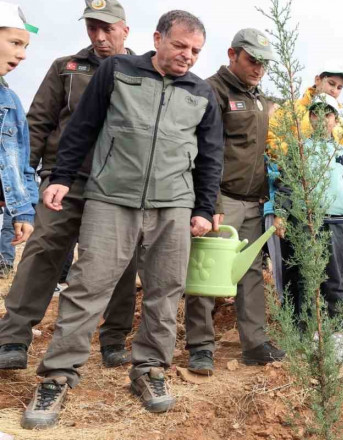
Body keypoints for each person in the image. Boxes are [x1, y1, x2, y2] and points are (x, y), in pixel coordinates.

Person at [21, 10, 224, 429]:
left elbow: (210, 157)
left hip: (173, 205)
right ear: (158, 39)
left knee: (166, 291)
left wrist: (204, 208)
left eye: (196, 51)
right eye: (180, 46)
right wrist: (60, 177)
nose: (188, 56)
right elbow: (83, 127)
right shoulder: (117, 70)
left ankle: (150, 370)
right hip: (111, 197)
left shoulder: (202, 93)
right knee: (87, 285)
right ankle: (58, 375)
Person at [0, 0, 138, 371]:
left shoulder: (143, 72)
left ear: (125, 29)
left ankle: (113, 340)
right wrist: (21, 185)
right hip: (63, 181)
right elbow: (37, 124)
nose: (99, 35)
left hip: (118, 188)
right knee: (43, 252)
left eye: (107, 28)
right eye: (92, 27)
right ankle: (13, 338)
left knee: (121, 265)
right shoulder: (66, 68)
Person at [185, 28, 285, 376]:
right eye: (252, 61)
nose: (258, 68)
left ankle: (254, 344)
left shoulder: (262, 99)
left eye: (264, 64)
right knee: (206, 275)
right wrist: (209, 202)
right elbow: (203, 152)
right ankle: (200, 346)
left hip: (255, 201)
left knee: (250, 274)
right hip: (221, 199)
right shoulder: (211, 90)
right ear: (232, 54)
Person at [270, 94, 343, 360]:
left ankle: (333, 337)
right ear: (310, 117)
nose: (322, 120)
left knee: (334, 280)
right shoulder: (298, 148)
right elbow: (286, 185)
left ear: (336, 120)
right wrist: (280, 214)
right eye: (316, 114)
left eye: (328, 115)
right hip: (305, 221)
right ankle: (307, 337)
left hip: (335, 223)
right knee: (305, 280)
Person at [0, 3, 37, 260]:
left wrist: (23, 211)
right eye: (15, 43)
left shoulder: (11, 102)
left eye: (25, 47)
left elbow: (22, 165)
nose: (22, 55)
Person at [269, 65, 343, 150]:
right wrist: (294, 156)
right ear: (317, 80)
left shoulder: (340, 122)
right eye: (331, 83)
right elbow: (271, 137)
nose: (334, 90)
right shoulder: (291, 108)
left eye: (339, 88)